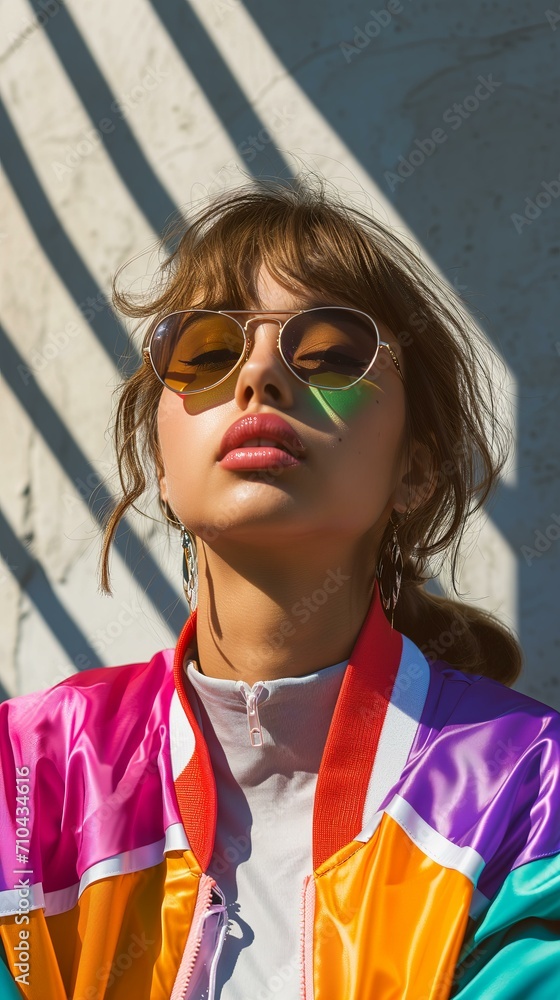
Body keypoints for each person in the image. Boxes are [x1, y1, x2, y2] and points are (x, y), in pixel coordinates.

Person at [1, 179, 559, 1000]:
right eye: (206, 353)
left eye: (332, 354)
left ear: (417, 467)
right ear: (162, 461)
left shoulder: (529, 791)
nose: (259, 376)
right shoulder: (25, 771)